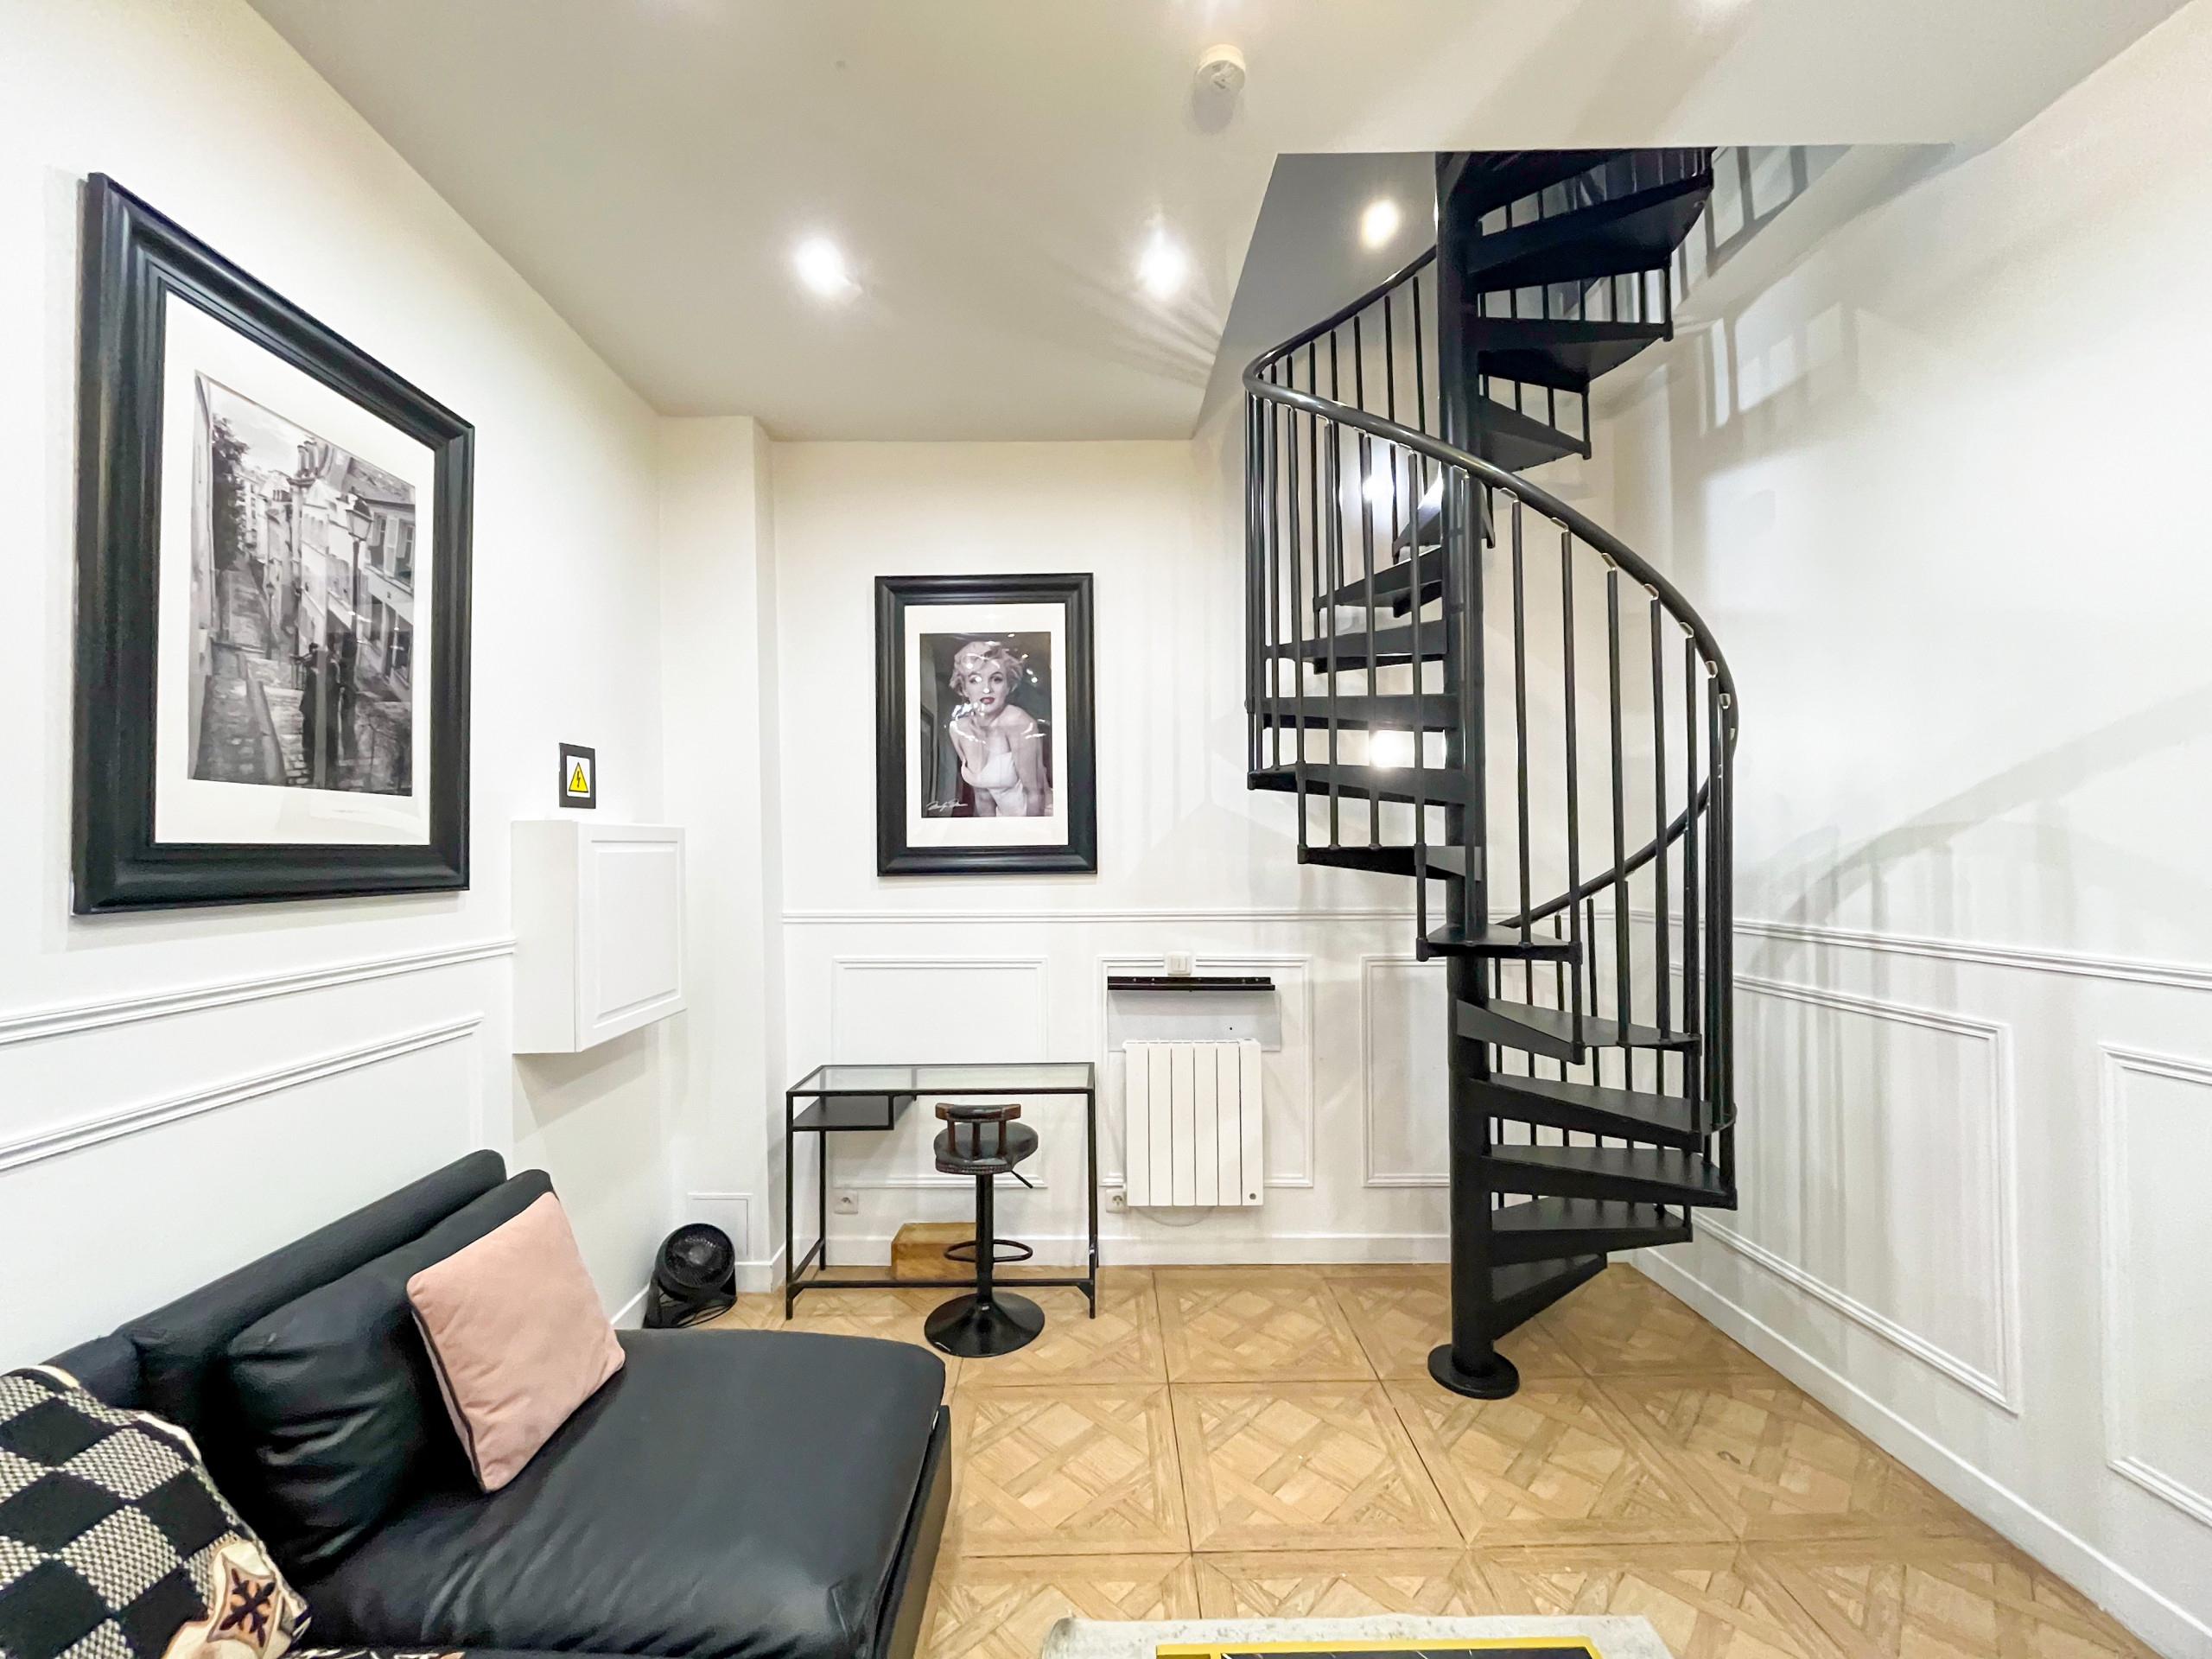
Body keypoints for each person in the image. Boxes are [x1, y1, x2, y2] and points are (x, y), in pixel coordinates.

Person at [945, 639, 1050, 817]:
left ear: (1008, 686)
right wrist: (991, 831)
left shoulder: (1017, 722)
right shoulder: (958, 729)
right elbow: (983, 797)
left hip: (1038, 817)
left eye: (996, 679)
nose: (987, 689)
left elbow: (1035, 795)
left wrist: (1028, 833)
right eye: (975, 680)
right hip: (1003, 821)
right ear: (964, 689)